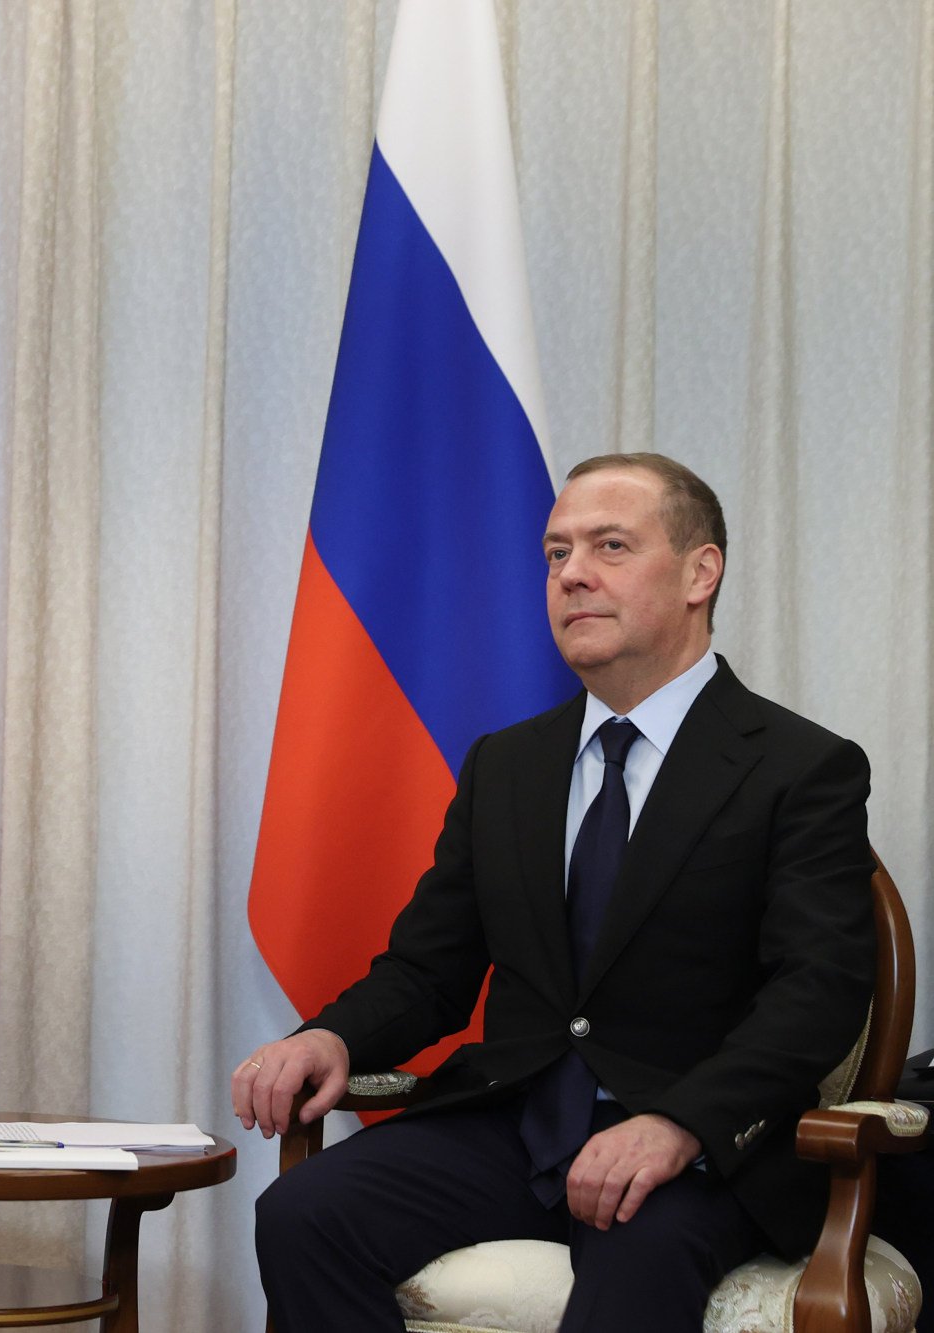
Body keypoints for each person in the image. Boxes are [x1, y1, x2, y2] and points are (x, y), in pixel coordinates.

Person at [237, 452, 874, 1331]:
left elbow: (818, 990)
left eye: (610, 546)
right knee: (304, 1213)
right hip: (517, 1125)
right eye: (554, 553)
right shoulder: (507, 764)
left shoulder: (800, 767)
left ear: (700, 572)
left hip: (692, 1153)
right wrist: (332, 1034)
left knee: (636, 1263)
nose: (571, 573)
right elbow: (428, 971)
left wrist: (680, 1123)